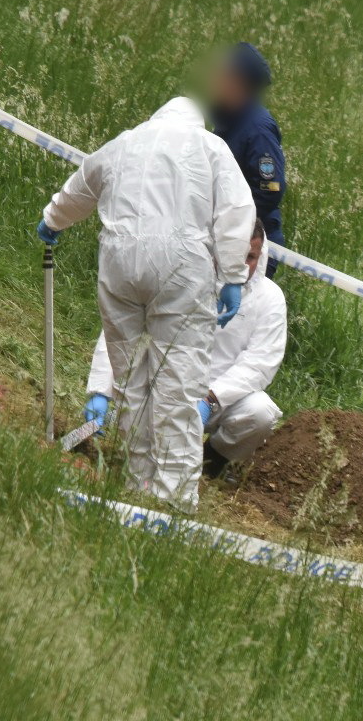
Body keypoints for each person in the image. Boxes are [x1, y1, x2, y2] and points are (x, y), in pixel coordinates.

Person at [38, 95, 256, 509]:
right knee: (178, 380)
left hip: (120, 261)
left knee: (128, 375)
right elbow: (236, 210)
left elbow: (82, 183)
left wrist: (53, 219)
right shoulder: (210, 148)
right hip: (181, 267)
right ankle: (173, 497)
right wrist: (232, 275)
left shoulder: (126, 141)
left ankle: (137, 479)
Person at [83, 221, 287, 476]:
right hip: (166, 385)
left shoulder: (269, 299)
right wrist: (101, 391)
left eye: (250, 257)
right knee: (142, 455)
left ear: (261, 256)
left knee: (260, 412)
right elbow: (123, 325)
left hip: (219, 400)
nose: (241, 265)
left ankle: (213, 462)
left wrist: (211, 398)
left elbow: (260, 362)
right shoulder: (177, 273)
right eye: (234, 254)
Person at [208, 43, 287, 263]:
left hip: (251, 247)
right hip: (225, 240)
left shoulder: (258, 129)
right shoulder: (226, 120)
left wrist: (228, 218)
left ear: (238, 82)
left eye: (223, 74)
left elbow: (269, 190)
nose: (216, 80)